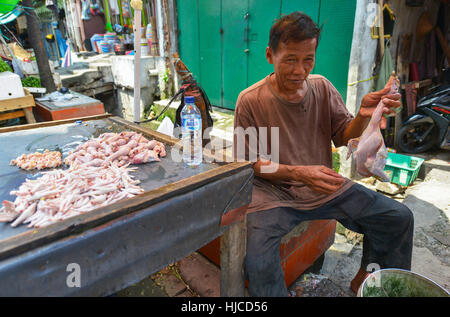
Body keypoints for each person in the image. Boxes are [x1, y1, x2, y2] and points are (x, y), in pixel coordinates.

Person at [233, 11, 414, 297]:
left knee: (398, 217)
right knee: (257, 260)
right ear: (270, 55)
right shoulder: (251, 100)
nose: (299, 70)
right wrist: (299, 173)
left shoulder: (322, 87)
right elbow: (250, 164)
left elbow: (343, 135)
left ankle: (368, 281)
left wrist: (364, 116)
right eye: (290, 59)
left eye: (308, 60)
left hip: (323, 188)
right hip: (274, 196)